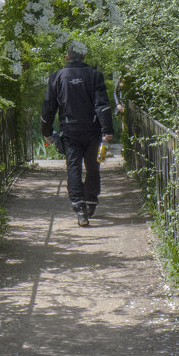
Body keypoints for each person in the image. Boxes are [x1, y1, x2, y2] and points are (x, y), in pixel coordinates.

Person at [40, 42, 112, 226]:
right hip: (92, 131)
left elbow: (48, 108)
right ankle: (91, 201)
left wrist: (46, 131)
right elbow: (102, 105)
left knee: (73, 168)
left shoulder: (57, 77)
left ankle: (79, 208)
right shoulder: (95, 76)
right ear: (84, 57)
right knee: (93, 166)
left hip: (70, 131)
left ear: (67, 57)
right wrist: (107, 130)